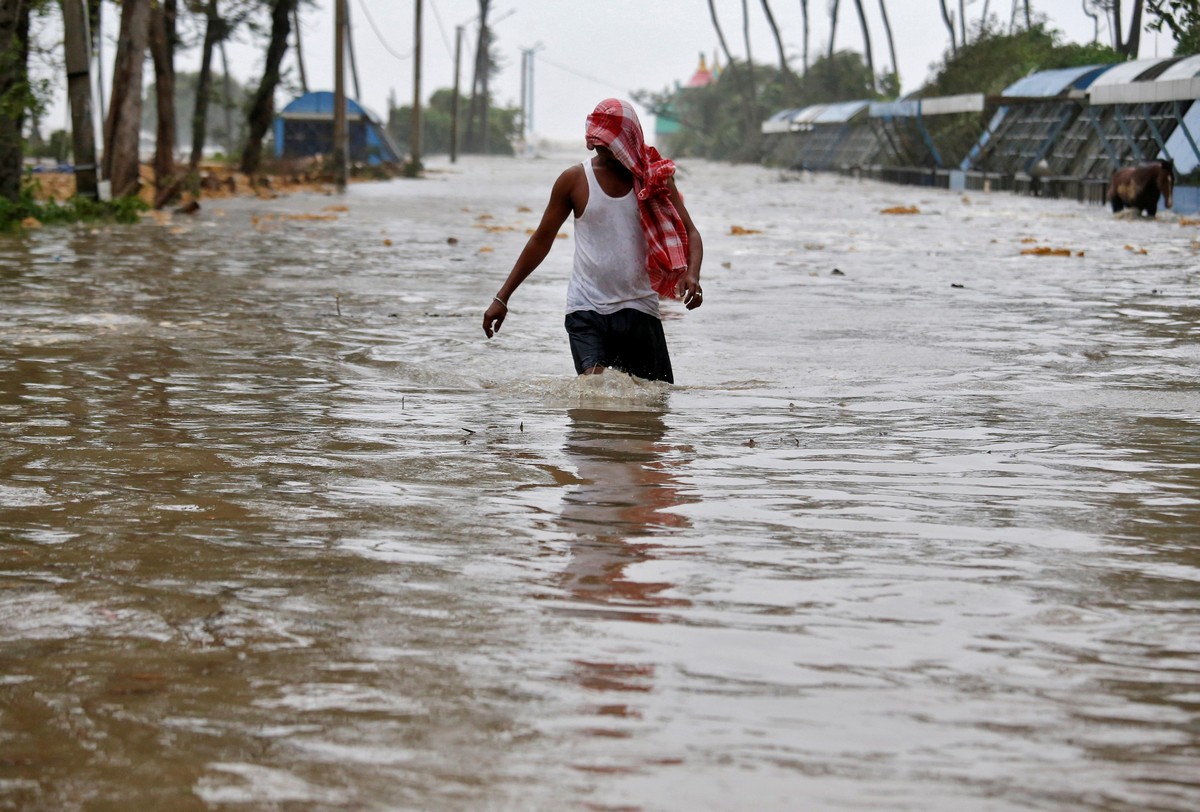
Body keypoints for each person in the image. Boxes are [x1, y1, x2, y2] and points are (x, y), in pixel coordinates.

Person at [482, 98, 703, 384]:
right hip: (586, 310)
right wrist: (503, 297)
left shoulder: (655, 180)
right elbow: (540, 241)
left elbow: (691, 232)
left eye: (609, 142)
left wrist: (692, 274)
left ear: (628, 140)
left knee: (654, 404)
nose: (601, 148)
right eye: (597, 141)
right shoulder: (574, 180)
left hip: (639, 309)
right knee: (597, 393)